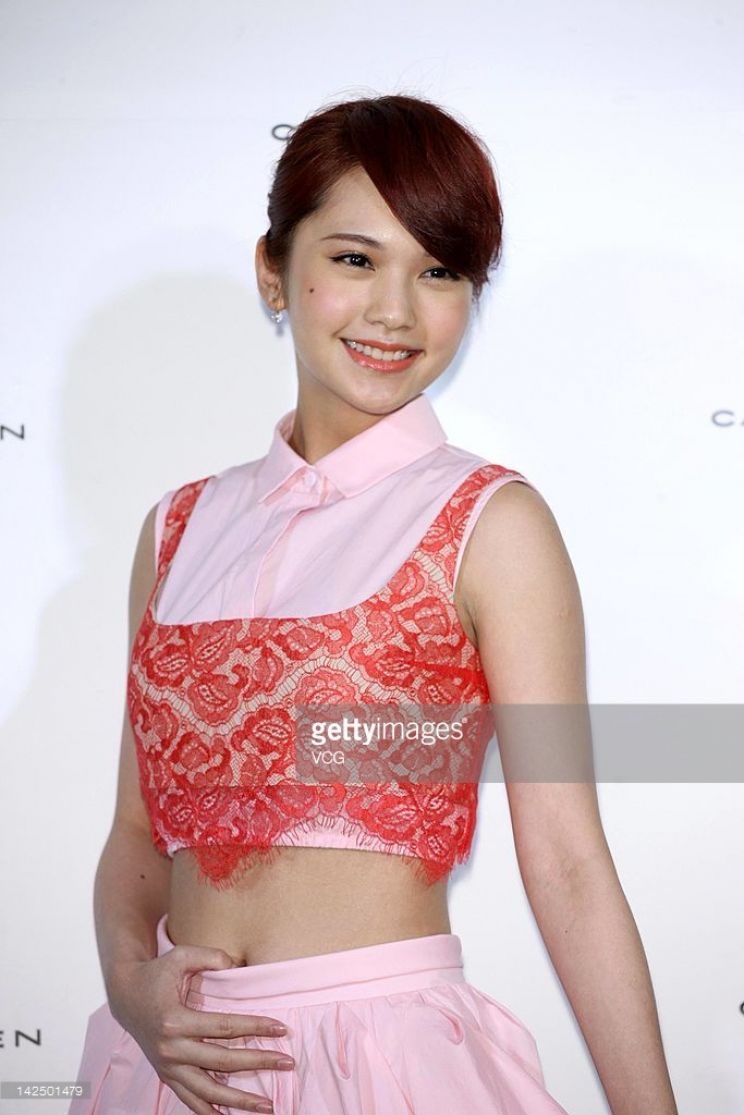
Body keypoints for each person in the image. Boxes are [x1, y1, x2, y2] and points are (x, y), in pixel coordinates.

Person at [69, 94, 678, 1115]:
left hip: (383, 1060)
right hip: (170, 1070)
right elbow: (137, 828)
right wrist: (132, 984)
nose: (396, 310)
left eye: (439, 271)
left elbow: (569, 862)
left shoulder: (490, 522)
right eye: (355, 258)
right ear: (274, 271)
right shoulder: (176, 527)